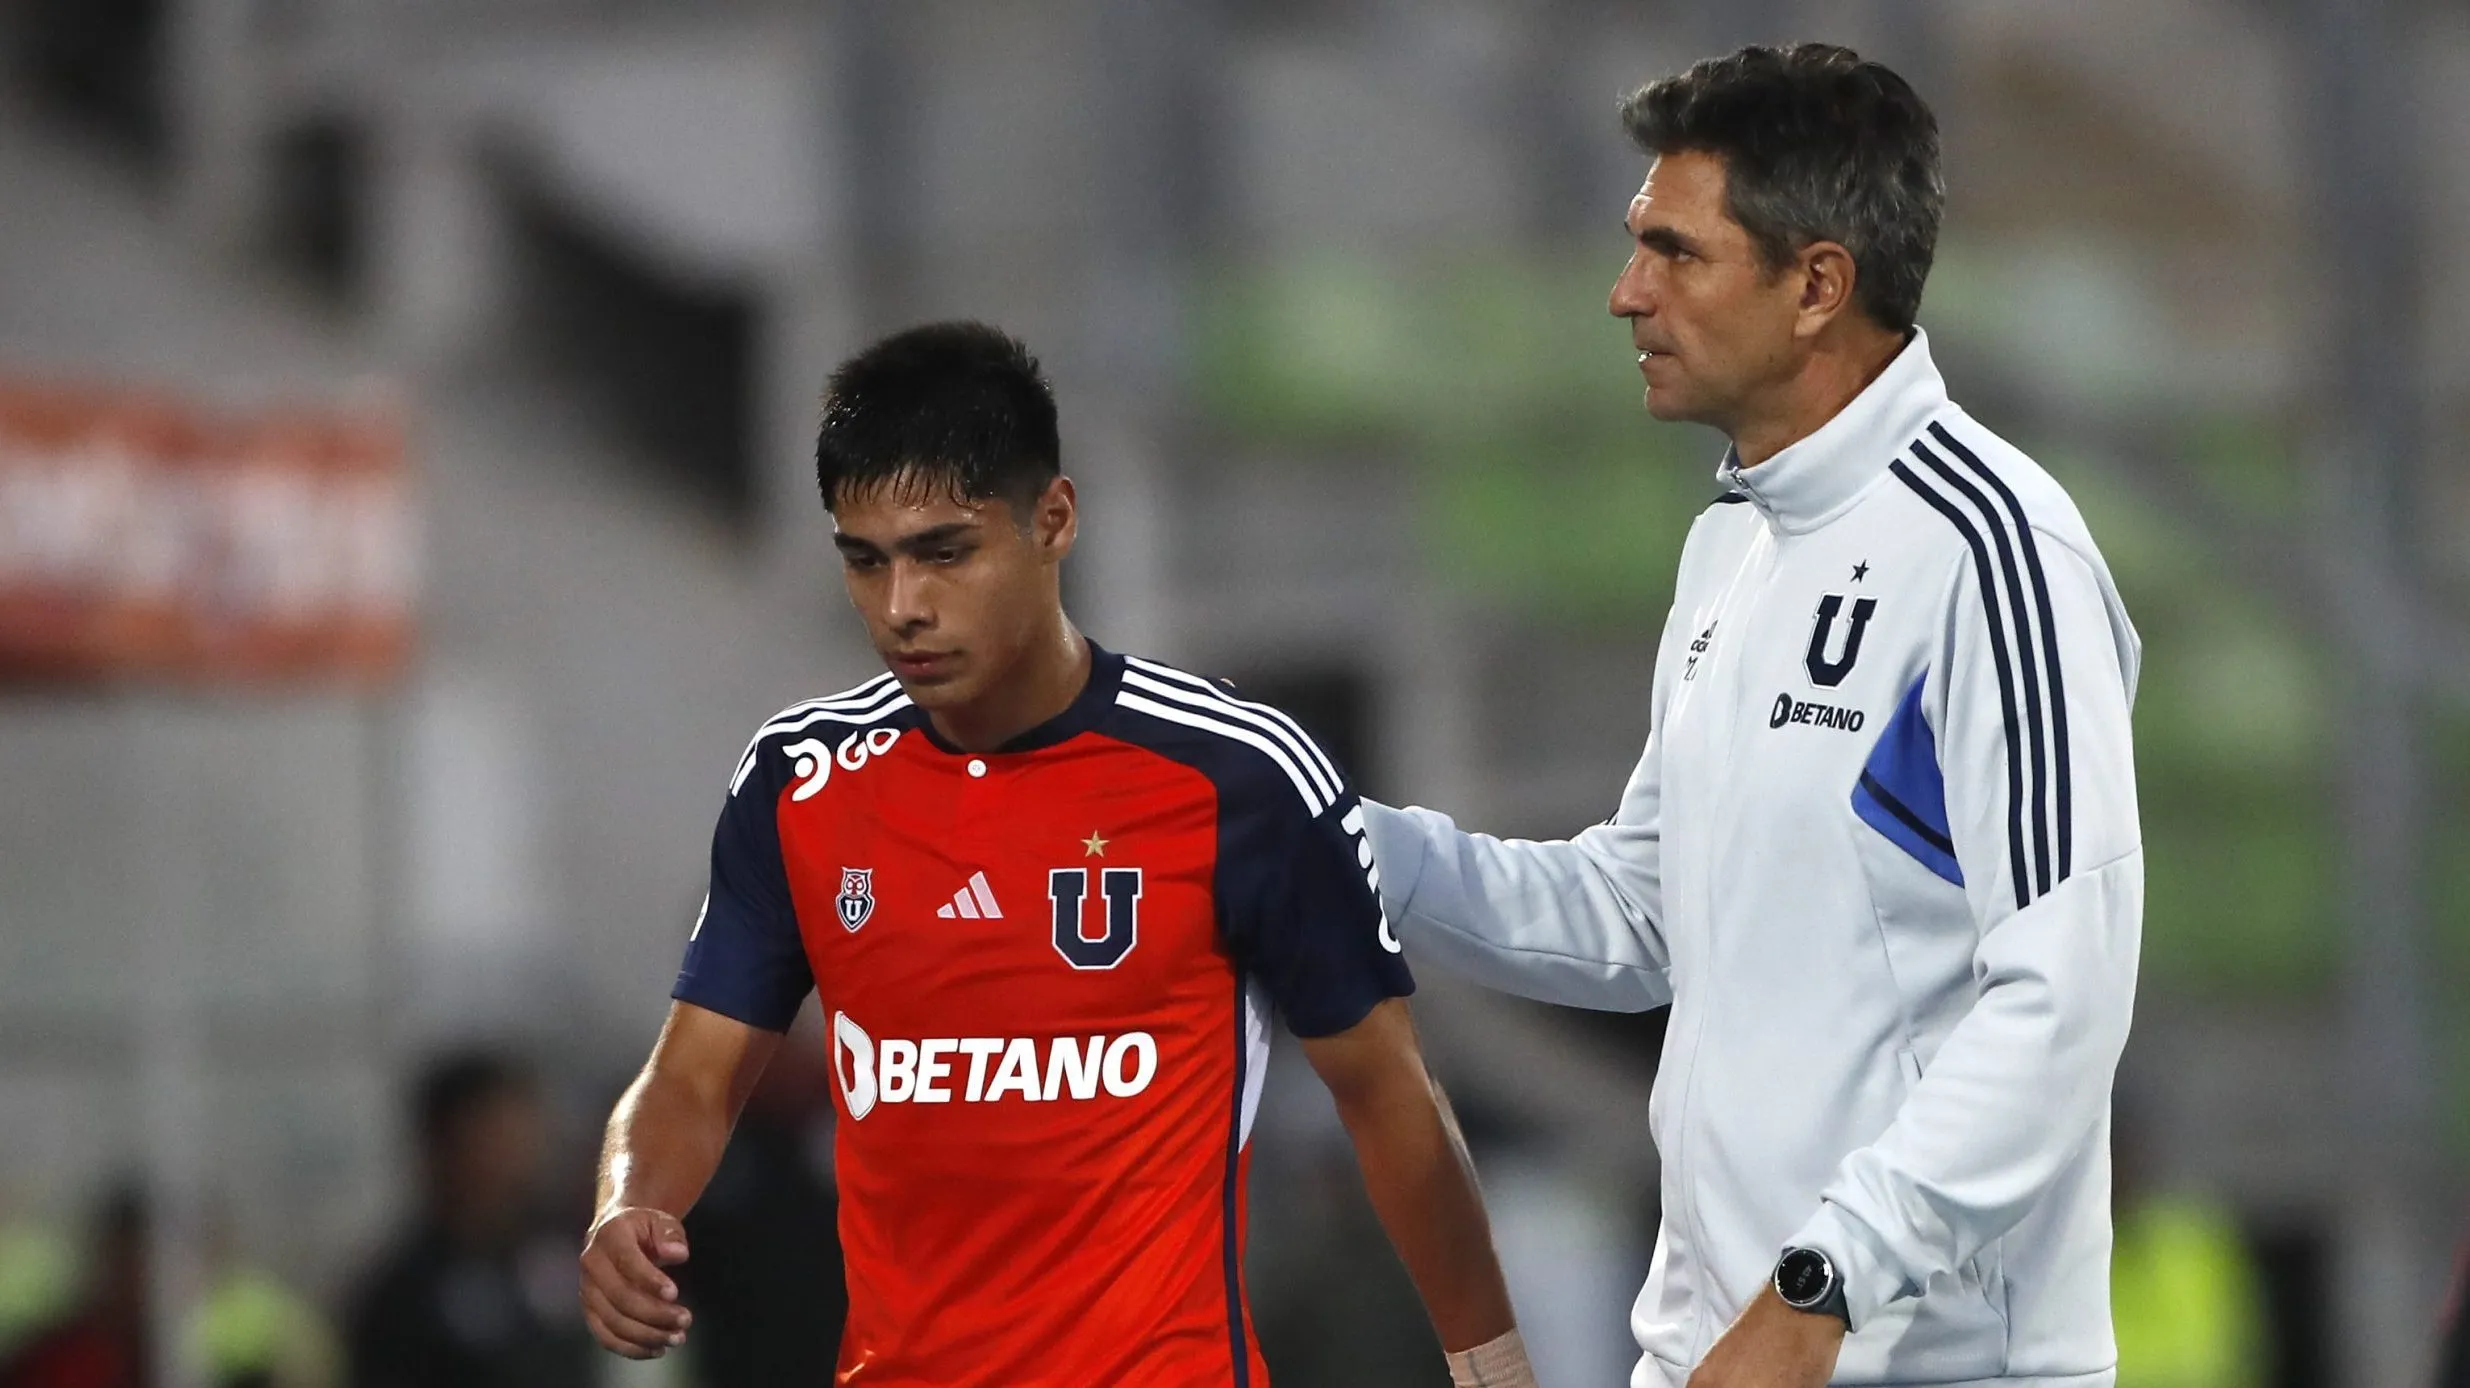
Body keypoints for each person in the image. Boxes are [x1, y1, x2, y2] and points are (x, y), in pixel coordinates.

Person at [1359, 44, 2144, 1388]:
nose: (1626, 294)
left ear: (1815, 287)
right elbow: (1640, 916)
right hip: (1710, 1351)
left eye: (1675, 252)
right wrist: (1350, 843)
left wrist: (1822, 1285)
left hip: (1914, 1359)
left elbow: (2060, 996)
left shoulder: (1994, 553)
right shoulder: (1733, 542)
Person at [579, 322, 1534, 1387]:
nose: (902, 607)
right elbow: (693, 1076)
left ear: (1054, 520)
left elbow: (1388, 1093)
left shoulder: (1239, 777)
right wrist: (630, 1198)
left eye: (945, 552)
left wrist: (1492, 1369)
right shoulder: (798, 780)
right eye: (866, 559)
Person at [344, 1052, 596, 1388]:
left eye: (526, 1128)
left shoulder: (569, 1252)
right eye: (497, 1133)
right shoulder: (403, 1296)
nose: (522, 1149)